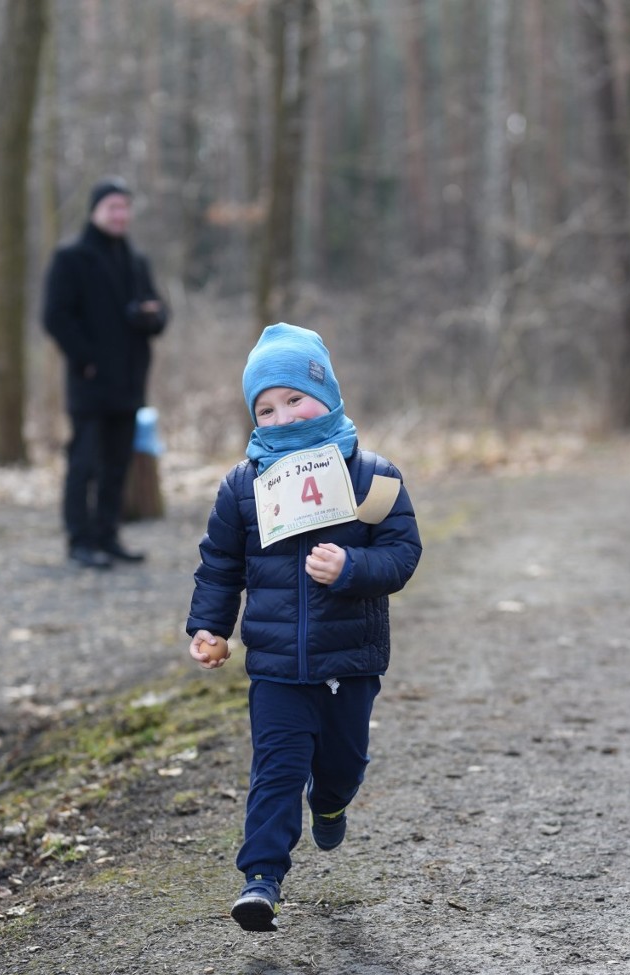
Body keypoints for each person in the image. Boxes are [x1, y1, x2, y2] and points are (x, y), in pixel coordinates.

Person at [185, 322, 422, 931]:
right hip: (276, 664)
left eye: (295, 398)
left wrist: (350, 567)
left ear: (329, 394)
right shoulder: (244, 487)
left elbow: (401, 554)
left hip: (349, 658)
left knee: (342, 764)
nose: (282, 416)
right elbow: (220, 564)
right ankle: (260, 879)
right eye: (265, 408)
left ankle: (333, 801)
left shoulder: (371, 475)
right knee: (277, 767)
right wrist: (211, 627)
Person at [42, 176, 169, 569]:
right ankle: (79, 540)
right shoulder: (71, 258)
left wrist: (148, 317)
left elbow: (159, 314)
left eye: (125, 207)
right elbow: (55, 317)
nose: (120, 214)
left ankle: (107, 535)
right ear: (95, 211)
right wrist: (86, 359)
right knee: (85, 463)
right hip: (90, 382)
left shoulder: (136, 261)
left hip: (130, 380)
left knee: (117, 463)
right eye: (113, 207)